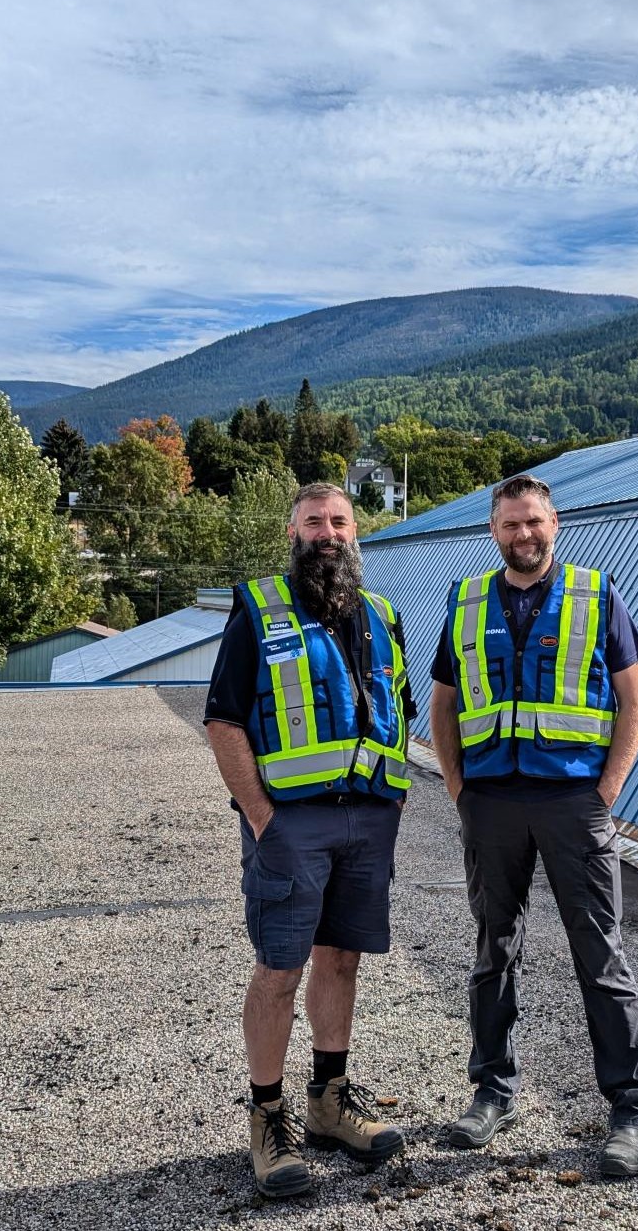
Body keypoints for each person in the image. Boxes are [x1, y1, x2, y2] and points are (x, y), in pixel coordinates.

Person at [428, 474, 638, 1180]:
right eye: (509, 525)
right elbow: (441, 703)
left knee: (600, 952)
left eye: (533, 522)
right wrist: (460, 787)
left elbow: (634, 700)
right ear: (492, 532)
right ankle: (492, 1091)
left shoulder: (595, 594)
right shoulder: (466, 602)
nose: (523, 535)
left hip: (572, 803)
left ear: (554, 522)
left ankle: (628, 1108)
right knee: (494, 949)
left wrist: (607, 788)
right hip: (492, 801)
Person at [204, 482, 414, 1199]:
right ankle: (267, 1117)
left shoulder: (383, 614)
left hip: (366, 819)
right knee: (279, 970)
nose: (328, 531)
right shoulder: (259, 610)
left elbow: (400, 714)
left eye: (340, 520)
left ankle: (329, 1099)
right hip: (290, 822)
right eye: (314, 521)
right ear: (291, 532)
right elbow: (224, 721)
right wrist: (262, 817)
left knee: (344, 960)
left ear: (357, 532)